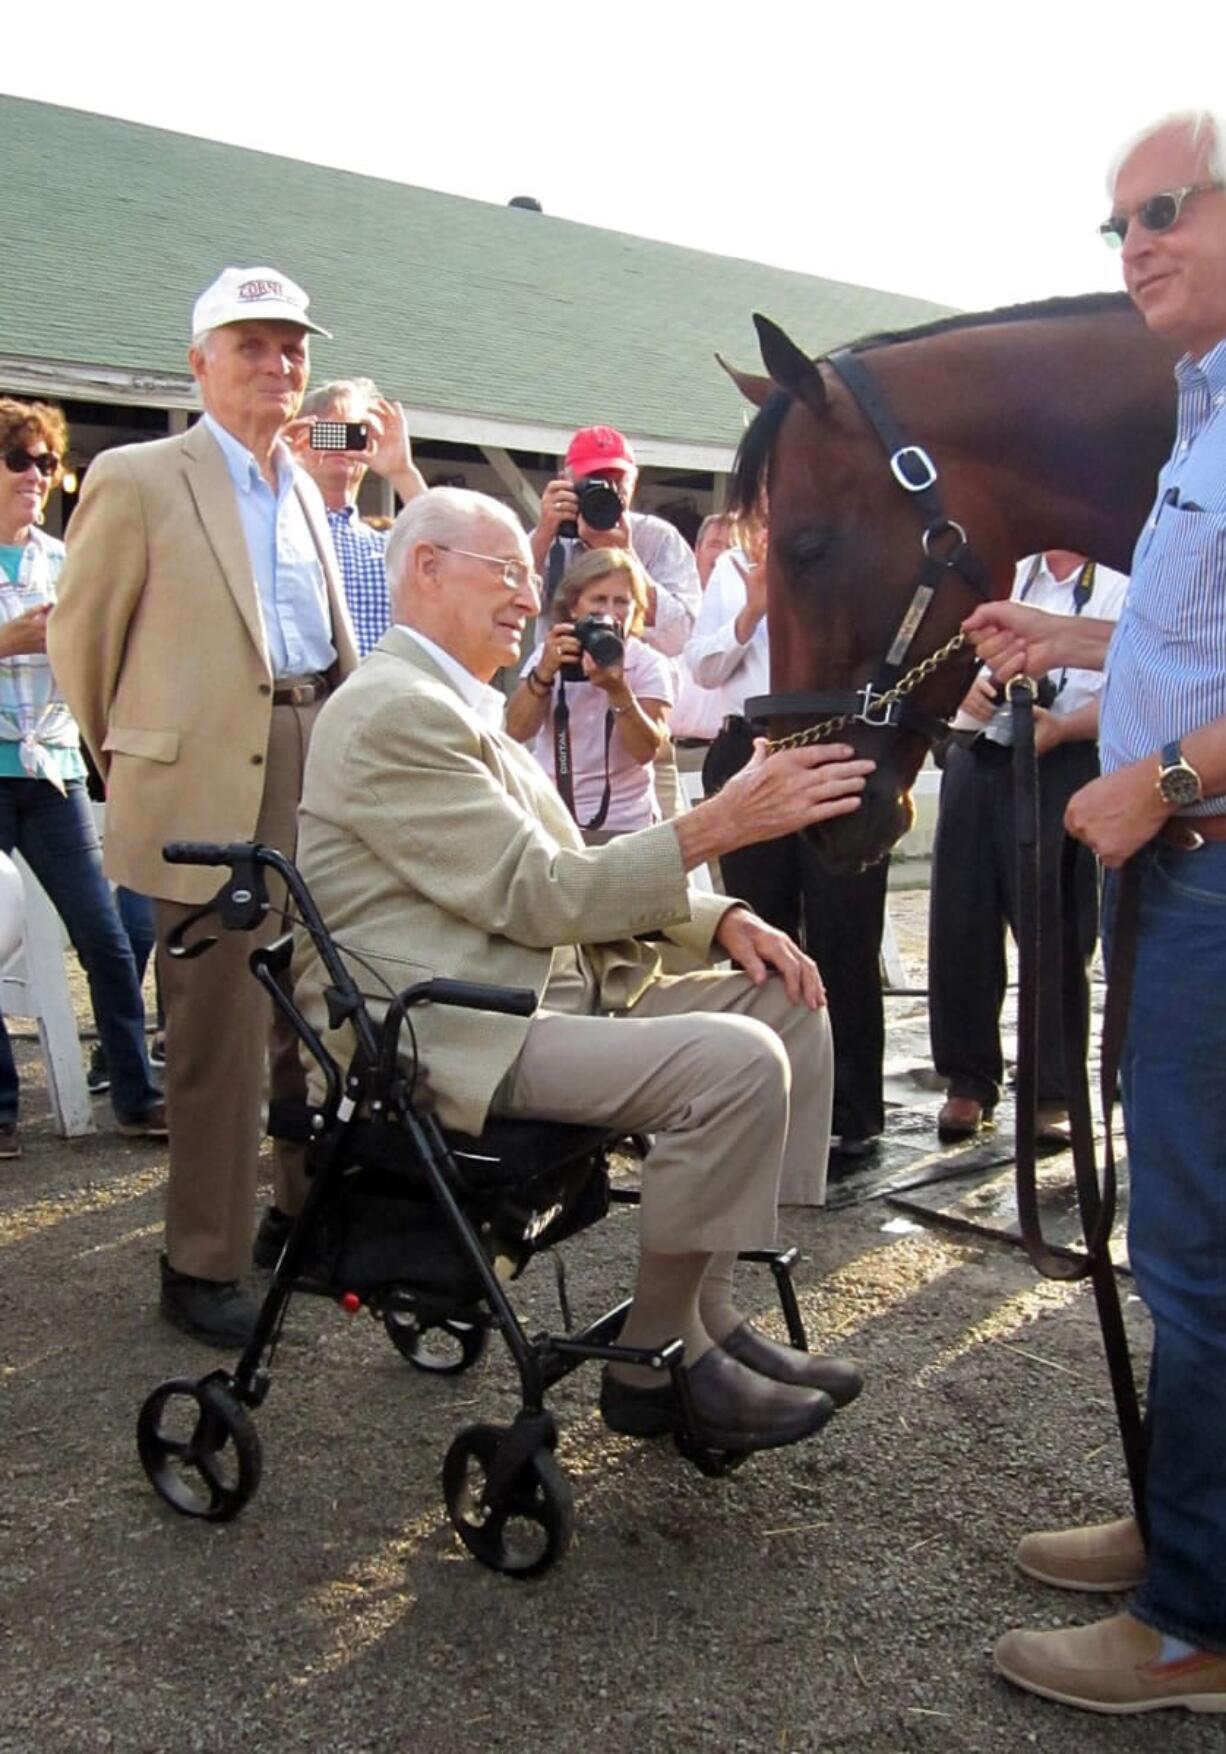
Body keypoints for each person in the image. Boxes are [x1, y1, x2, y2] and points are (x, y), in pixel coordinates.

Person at [293, 487, 871, 1454]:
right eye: (510, 572)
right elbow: (544, 891)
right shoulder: (394, 711)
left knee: (787, 1002)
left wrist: (723, 915)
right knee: (731, 1062)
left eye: (531, 576)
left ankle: (708, 1316)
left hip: (527, 992)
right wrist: (723, 823)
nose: (534, 597)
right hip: (450, 1029)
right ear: (425, 568)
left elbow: (563, 876)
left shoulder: (455, 704)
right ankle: (653, 1365)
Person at [967, 111, 1226, 1714]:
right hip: (1185, 872)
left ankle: (1193, 1622)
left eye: (1165, 209)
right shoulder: (1199, 409)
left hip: (1208, 872)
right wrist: (1082, 669)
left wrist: (1166, 789)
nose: (1131, 243)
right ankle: (1187, 1533)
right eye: (1114, 223)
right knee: (1190, 1242)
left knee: (1199, 1258)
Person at [50, 265, 358, 1346]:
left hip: (308, 748)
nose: (277, 364)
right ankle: (202, 1260)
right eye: (251, 345)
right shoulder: (139, 475)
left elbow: (326, 637)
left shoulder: (308, 489)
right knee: (215, 1033)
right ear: (199, 363)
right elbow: (82, 646)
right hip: (201, 782)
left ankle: (292, 1214)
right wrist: (141, 756)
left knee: (304, 1013)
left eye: (291, 346)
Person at [689, 518, 889, 1168]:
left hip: (835, 746)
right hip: (750, 745)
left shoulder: (857, 559)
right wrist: (753, 609)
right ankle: (767, 1098)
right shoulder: (734, 568)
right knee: (760, 932)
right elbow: (705, 666)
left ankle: (852, 1110)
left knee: (844, 934)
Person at [0, 398, 165, 1158]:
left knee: (106, 938)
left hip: (55, 771)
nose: (37, 476)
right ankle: (3, 1107)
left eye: (45, 462)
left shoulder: (63, 561)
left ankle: (135, 1093)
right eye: (20, 460)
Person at [929, 551, 1127, 1144]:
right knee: (960, 918)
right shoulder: (1002, 569)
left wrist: (1063, 725)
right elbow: (944, 665)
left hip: (1065, 753)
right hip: (978, 751)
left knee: (1058, 924)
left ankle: (1054, 1089)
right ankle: (967, 1080)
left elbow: (1135, 683)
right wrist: (968, 699)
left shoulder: (1119, 577)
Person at [531, 426, 701, 820]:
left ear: (634, 480)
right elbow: (506, 604)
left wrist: (624, 557)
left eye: (615, 480)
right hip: (559, 734)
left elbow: (681, 637)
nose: (605, 490)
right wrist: (543, 534)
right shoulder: (552, 538)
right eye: (593, 480)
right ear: (566, 482)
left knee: (657, 861)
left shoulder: (657, 539)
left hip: (641, 728)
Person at [505, 547, 672, 837]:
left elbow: (647, 751)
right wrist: (544, 673)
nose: (609, 612)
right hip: (550, 816)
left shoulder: (647, 663)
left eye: (621, 602)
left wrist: (618, 691)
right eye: (598, 600)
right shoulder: (553, 653)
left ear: (635, 610)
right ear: (573, 606)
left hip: (625, 822)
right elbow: (516, 731)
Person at [291, 377, 426, 656]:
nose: (340, 446)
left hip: (384, 692)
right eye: (326, 433)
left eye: (354, 435)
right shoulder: (282, 532)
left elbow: (454, 557)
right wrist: (281, 471)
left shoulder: (389, 546)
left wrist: (402, 472)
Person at [670, 512, 735, 772]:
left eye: (731, 548)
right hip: (664, 751)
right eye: (714, 545)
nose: (721, 555)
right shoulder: (674, 609)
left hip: (718, 752)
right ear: (696, 551)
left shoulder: (747, 617)